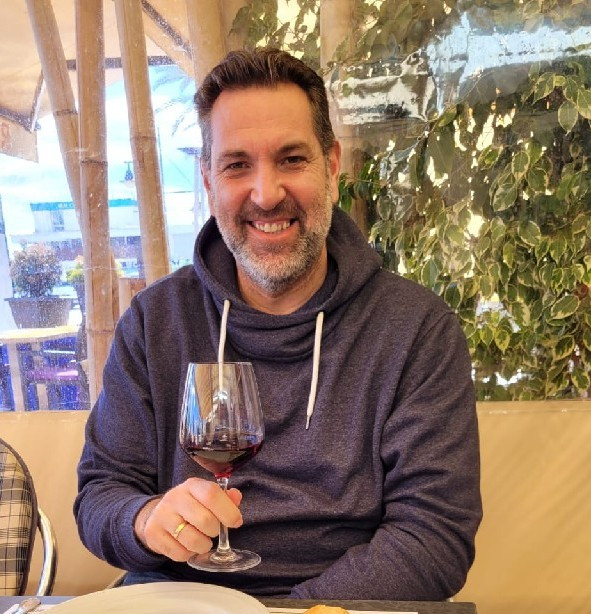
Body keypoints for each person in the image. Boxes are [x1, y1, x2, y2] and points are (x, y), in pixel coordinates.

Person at [74, 47, 482, 600]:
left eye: (291, 159)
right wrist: (145, 520)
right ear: (208, 180)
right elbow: (101, 494)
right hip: (181, 602)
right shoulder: (155, 321)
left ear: (331, 167)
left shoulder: (416, 330)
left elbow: (434, 538)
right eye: (236, 164)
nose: (266, 195)